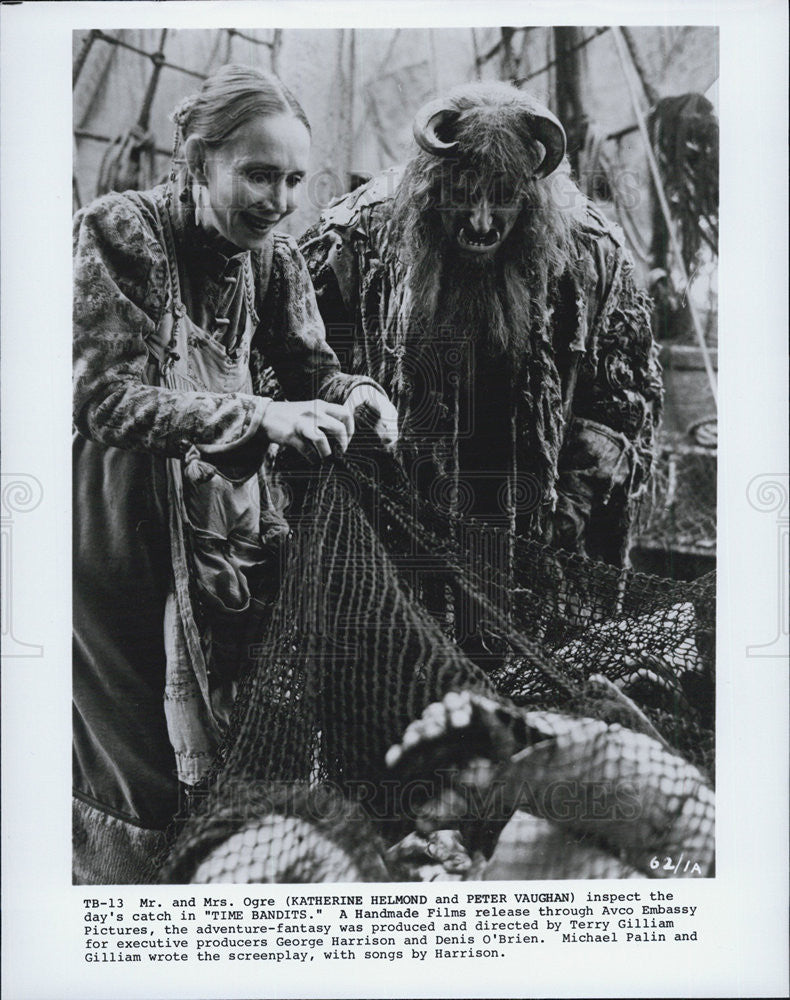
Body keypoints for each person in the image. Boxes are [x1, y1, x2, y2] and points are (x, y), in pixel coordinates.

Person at [72, 64, 397, 884]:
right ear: (197, 161)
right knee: (136, 748)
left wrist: (356, 394)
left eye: (293, 179)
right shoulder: (123, 233)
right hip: (124, 527)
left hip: (228, 527)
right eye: (257, 174)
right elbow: (102, 400)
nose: (278, 199)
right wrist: (256, 417)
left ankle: (214, 885)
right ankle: (123, 905)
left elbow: (310, 367)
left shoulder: (275, 261)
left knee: (223, 721)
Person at [300, 81, 663, 575]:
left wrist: (572, 502)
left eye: (503, 197)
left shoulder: (589, 252)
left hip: (532, 532)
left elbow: (623, 400)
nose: (482, 221)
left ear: (531, 196)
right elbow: (299, 363)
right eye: (464, 195)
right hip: (391, 535)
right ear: (431, 190)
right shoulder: (358, 237)